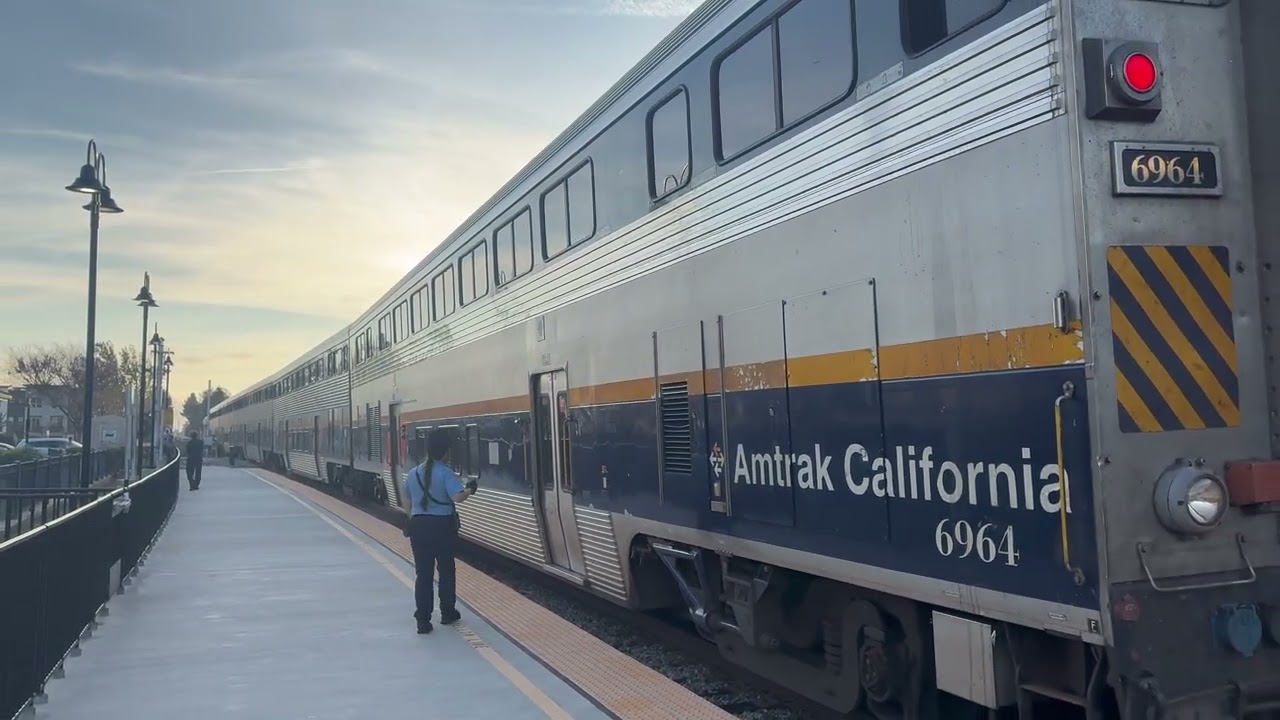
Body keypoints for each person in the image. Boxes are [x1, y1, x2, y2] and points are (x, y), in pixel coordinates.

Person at [404, 429, 476, 634]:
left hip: (418, 527)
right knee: (446, 571)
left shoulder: (413, 473)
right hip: (442, 527)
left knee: (423, 574)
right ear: (445, 451)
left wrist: (412, 517)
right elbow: (457, 498)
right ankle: (447, 612)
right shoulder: (445, 473)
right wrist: (470, 489)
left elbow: (406, 499)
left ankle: (423, 620)